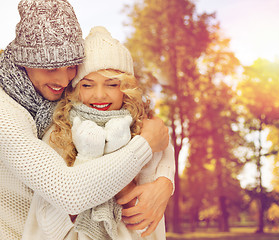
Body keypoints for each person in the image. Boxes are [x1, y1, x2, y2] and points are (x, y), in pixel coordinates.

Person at [0, 0, 173, 239]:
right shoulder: (5, 114)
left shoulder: (63, 100)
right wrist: (144, 145)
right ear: (25, 63)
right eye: (51, 68)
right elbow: (68, 192)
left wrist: (164, 183)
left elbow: (161, 141)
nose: (63, 80)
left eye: (71, 66)